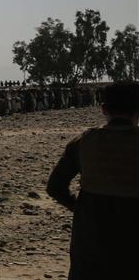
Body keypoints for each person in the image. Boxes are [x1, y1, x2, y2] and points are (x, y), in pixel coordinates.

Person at [47, 81, 139, 279]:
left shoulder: (84, 141)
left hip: (91, 234)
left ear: (104, 109)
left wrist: (78, 207)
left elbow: (55, 187)